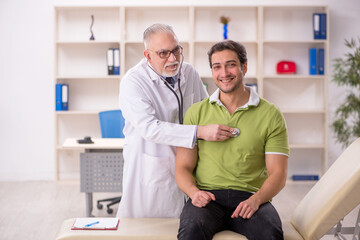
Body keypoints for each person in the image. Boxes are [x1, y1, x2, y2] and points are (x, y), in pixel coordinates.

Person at [116, 24, 235, 218]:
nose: (173, 59)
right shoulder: (134, 81)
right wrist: (199, 132)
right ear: (148, 55)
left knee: (187, 226)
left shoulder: (189, 72)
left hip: (189, 161)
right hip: (152, 163)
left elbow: (205, 110)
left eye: (176, 50)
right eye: (163, 53)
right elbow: (150, 128)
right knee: (148, 228)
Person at [175, 40, 289, 240]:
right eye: (217, 67)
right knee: (191, 231)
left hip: (251, 197)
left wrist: (257, 200)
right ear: (212, 72)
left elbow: (278, 173)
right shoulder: (196, 113)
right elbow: (182, 167)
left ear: (244, 67)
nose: (224, 73)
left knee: (270, 233)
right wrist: (194, 193)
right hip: (207, 197)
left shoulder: (271, 114)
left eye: (231, 64)